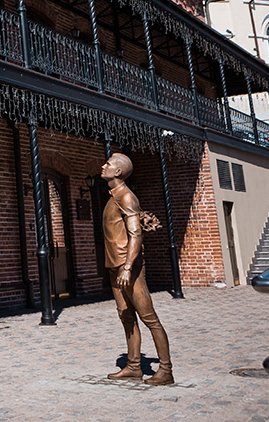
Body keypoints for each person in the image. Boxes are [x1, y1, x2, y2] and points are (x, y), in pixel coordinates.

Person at [100, 151, 174, 385]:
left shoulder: (126, 197)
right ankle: (133, 366)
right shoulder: (113, 197)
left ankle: (166, 370)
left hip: (128, 268)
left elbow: (136, 234)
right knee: (126, 316)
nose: (104, 166)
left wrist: (128, 268)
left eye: (108, 164)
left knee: (149, 318)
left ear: (118, 171)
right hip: (115, 266)